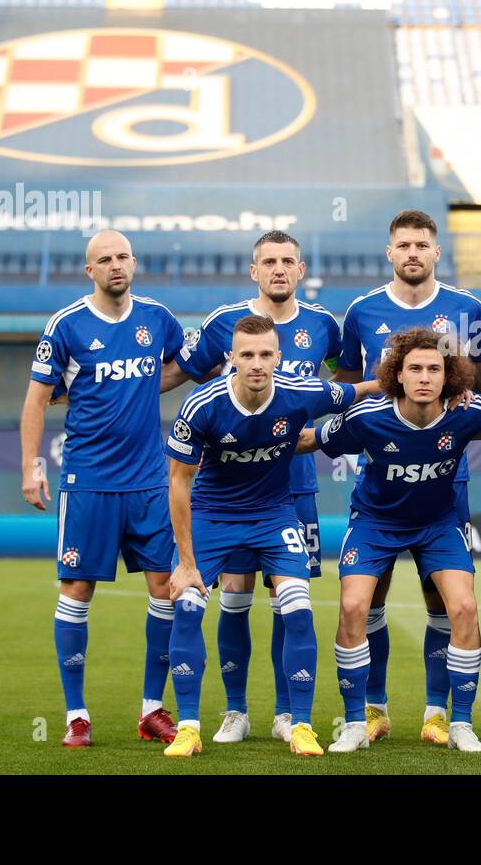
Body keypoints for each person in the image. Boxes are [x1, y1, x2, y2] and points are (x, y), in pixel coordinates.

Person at [160, 315, 378, 757]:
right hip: (213, 515)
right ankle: (188, 726)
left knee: (298, 609)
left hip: (274, 515)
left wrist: (417, 384)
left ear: (278, 357)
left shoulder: (302, 391)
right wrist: (185, 562)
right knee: (187, 605)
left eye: (265, 354)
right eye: (247, 355)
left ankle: (299, 724)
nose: (256, 363)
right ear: (231, 359)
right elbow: (178, 482)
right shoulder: (201, 405)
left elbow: (358, 391)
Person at [161, 229, 341, 744]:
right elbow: (180, 373)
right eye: (269, 261)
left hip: (292, 488)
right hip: (225, 492)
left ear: (300, 270)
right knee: (234, 597)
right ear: (254, 270)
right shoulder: (222, 325)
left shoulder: (325, 324)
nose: (279, 269)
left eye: (289, 260)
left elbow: (345, 384)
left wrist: (320, 435)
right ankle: (234, 712)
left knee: (292, 600)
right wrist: (115, 390)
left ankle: (289, 713)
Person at [332, 209, 481, 745]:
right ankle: (372, 711)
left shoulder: (468, 309)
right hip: (382, 477)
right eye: (403, 244)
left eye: (422, 245)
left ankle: (438, 713)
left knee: (446, 604)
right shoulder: (361, 311)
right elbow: (345, 386)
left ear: (435, 251)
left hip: (443, 488)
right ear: (390, 252)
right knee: (368, 599)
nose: (412, 253)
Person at [20, 229, 185, 748]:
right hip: (88, 481)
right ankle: (76, 715)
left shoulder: (157, 318)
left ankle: (152, 709)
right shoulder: (66, 325)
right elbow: (35, 401)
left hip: (150, 481)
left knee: (166, 590)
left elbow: (181, 365)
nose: (116, 265)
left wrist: (139, 384)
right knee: (78, 590)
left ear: (134, 263)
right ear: (89, 271)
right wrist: (30, 465)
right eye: (104, 260)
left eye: (122, 257)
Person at [301, 329, 481, 753]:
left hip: (438, 524)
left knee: (463, 607)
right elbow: (310, 440)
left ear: (449, 377)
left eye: (434, 368)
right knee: (354, 606)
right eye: (415, 369)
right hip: (375, 523)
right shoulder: (367, 418)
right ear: (398, 375)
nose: (425, 377)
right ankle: (359, 720)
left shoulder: (468, 412)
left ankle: (455, 721)